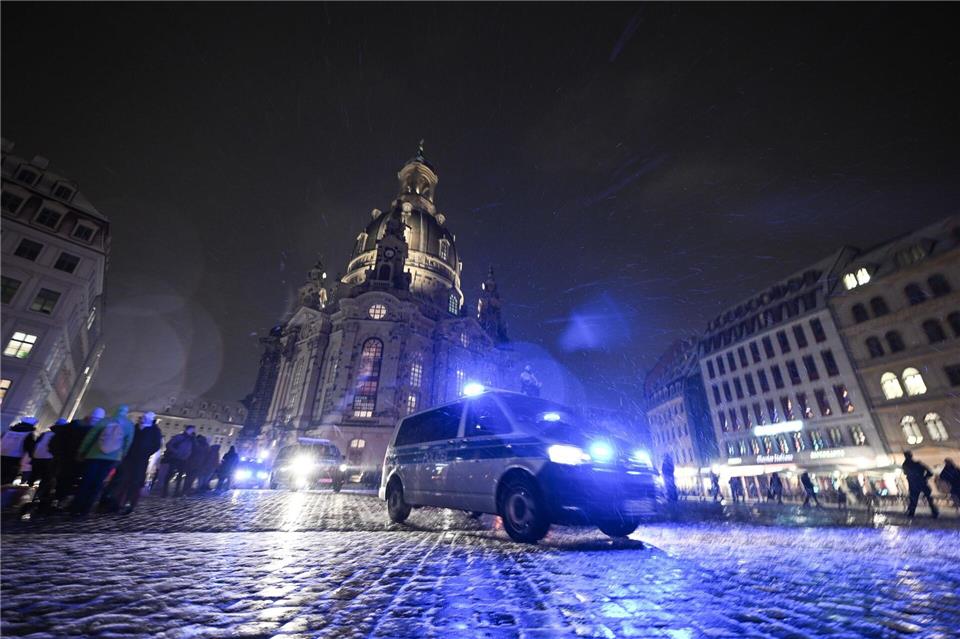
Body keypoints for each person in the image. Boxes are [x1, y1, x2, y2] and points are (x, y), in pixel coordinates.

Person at [70, 406, 135, 515]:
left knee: (86, 481)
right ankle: (87, 508)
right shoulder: (129, 425)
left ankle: (76, 507)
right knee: (98, 482)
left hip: (94, 455)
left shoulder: (105, 421)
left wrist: (82, 451)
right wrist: (121, 455)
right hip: (112, 457)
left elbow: (90, 437)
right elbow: (127, 443)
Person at [112, 412, 164, 514]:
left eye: (145, 417)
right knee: (123, 480)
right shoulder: (135, 427)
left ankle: (130, 504)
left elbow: (156, 445)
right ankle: (118, 503)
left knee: (135, 482)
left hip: (141, 459)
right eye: (143, 417)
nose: (143, 419)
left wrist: (147, 452)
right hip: (129, 457)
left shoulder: (155, 430)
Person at [50, 408, 103, 505]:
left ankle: (57, 499)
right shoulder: (93, 431)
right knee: (71, 479)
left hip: (66, 457)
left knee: (63, 478)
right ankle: (62, 500)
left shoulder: (73, 425)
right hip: (78, 459)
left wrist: (57, 453)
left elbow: (57, 440)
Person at [29, 420, 61, 506]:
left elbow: (35, 444)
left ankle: (28, 495)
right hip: (49, 459)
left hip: (37, 457)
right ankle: (37, 497)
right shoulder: (59, 436)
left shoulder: (45, 434)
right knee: (46, 479)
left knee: (33, 477)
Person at [1, 417, 38, 485]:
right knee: (6, 479)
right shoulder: (29, 434)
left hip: (1, 455)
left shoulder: (8, 431)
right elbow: (30, 448)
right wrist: (32, 459)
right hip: (14, 458)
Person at [902, 451, 939, 518]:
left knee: (915, 499)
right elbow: (929, 473)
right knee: (927, 498)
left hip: (915, 484)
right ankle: (934, 512)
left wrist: (923, 477)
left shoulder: (907, 464)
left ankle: (912, 513)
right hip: (921, 483)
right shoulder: (917, 464)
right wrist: (924, 478)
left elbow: (929, 473)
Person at [161, 425, 196, 497]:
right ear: (188, 429)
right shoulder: (179, 437)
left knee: (180, 476)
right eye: (192, 429)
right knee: (170, 474)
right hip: (175, 458)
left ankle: (176, 492)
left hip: (184, 459)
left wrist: (188, 454)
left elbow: (193, 449)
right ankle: (164, 491)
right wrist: (176, 452)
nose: (193, 431)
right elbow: (169, 444)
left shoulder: (191, 439)